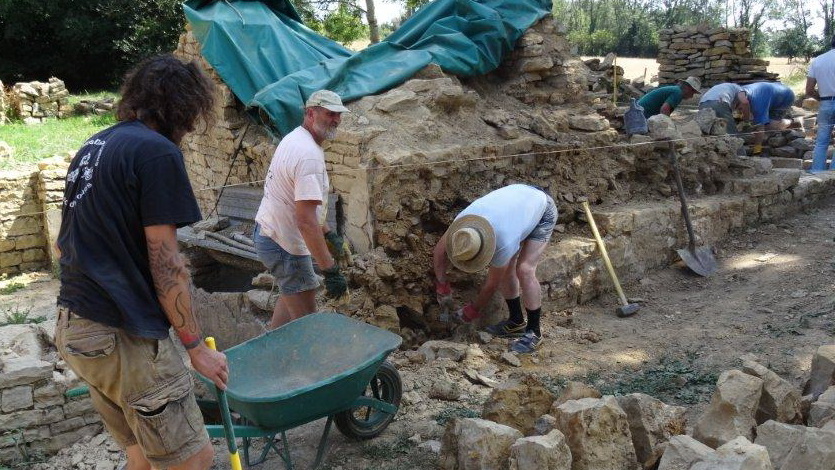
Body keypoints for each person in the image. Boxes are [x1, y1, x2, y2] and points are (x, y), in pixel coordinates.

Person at [54, 54, 228, 470]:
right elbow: (166, 263)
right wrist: (195, 349)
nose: (188, 130)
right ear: (183, 108)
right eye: (190, 119)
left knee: (144, 459)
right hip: (122, 334)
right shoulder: (157, 152)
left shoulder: (94, 146)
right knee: (195, 460)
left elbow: (64, 246)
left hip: (77, 329)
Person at [254, 89, 350, 329]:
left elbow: (307, 206)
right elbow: (306, 221)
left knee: (291, 299)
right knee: (307, 326)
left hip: (271, 234)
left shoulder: (296, 138)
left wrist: (328, 234)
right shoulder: (308, 155)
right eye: (329, 114)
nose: (335, 120)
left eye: (338, 115)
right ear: (310, 113)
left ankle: (272, 353)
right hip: (284, 245)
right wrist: (331, 270)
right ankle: (302, 364)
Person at [433, 184, 557, 354]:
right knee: (508, 268)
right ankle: (515, 322)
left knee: (525, 269)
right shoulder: (462, 226)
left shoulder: (503, 243)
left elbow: (492, 284)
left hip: (541, 208)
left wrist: (472, 311)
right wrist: (442, 286)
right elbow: (439, 252)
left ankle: (534, 332)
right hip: (517, 205)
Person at [741, 81, 796, 155]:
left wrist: (757, 150)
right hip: (771, 94)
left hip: (785, 97)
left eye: (739, 108)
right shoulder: (740, 92)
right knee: (757, 121)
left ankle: (792, 121)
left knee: (770, 126)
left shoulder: (758, 104)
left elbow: (759, 128)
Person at [806, 36, 835, 173]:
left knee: (822, 141)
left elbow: (809, 90)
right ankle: (833, 173)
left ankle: (817, 171)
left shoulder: (818, 60)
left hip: (826, 103)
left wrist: (823, 98)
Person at [638, 76, 702, 118]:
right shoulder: (678, 93)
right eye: (693, 93)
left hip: (639, 111)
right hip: (640, 115)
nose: (691, 96)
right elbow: (664, 109)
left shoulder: (676, 90)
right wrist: (668, 126)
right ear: (688, 88)